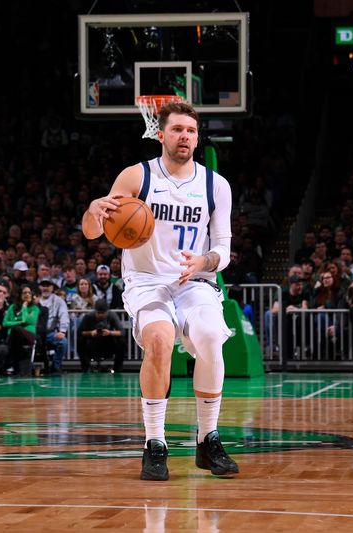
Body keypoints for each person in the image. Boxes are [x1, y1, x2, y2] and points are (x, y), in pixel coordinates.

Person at [82, 101, 238, 481]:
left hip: (194, 280)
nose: (184, 136)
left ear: (197, 138)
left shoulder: (215, 185)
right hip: (147, 280)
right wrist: (92, 210)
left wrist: (203, 263)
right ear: (161, 134)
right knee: (158, 339)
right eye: (177, 129)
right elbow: (92, 231)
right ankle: (155, 444)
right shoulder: (137, 177)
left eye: (191, 131)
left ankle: (208, 439)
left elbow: (224, 250)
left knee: (210, 337)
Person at [77, 298, 125, 373]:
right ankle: (86, 367)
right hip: (93, 344)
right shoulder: (89, 316)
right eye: (99, 313)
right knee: (80, 341)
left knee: (122, 341)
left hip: (109, 344)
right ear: (95, 311)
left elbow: (122, 332)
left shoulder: (112, 315)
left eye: (103, 313)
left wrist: (110, 332)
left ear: (107, 311)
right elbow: (79, 332)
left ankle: (117, 368)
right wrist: (91, 333)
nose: (101, 315)